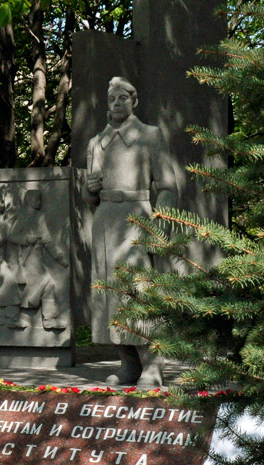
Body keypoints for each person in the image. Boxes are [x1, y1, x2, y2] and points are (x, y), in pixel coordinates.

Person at [84, 76, 178, 387]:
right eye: (111, 99)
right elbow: (88, 198)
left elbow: (167, 186)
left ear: (133, 101)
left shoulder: (150, 136)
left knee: (138, 293)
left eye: (122, 98)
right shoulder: (96, 142)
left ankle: (153, 365)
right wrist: (89, 189)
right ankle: (128, 363)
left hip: (136, 216)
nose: (116, 103)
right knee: (107, 294)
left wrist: (157, 224)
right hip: (105, 220)